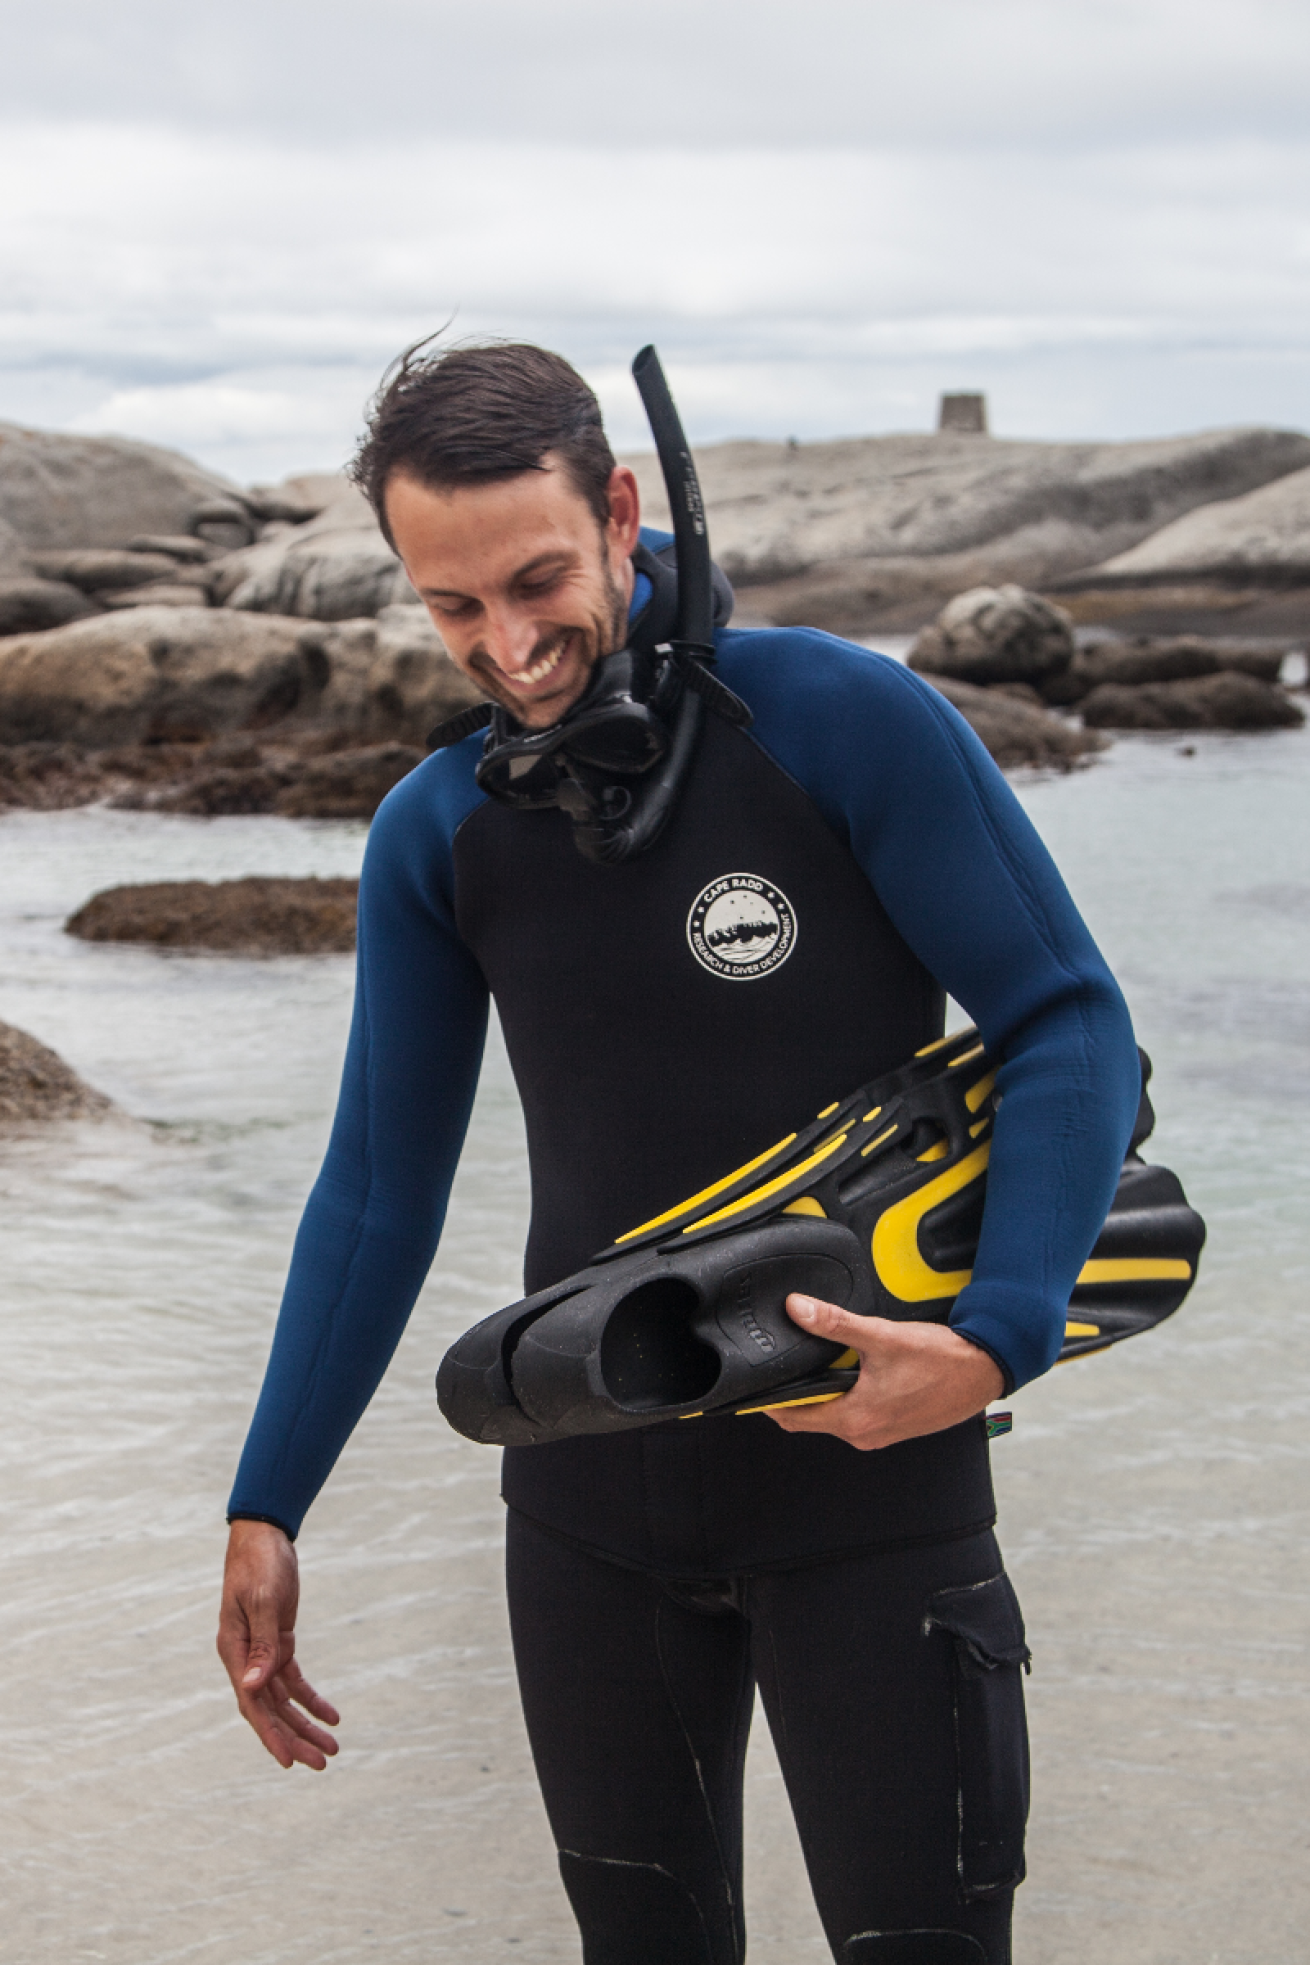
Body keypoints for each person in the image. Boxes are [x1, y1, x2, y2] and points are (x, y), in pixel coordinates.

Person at [217, 340, 1140, 1965]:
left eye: (537, 581)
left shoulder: (837, 719)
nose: (510, 649)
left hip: (871, 1491)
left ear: (622, 507)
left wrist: (994, 1345)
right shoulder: (440, 832)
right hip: (584, 1515)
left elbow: (1066, 1023)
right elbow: (376, 1188)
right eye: (451, 609)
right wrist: (268, 1499)